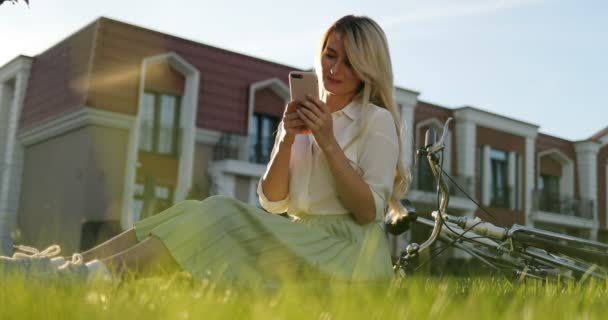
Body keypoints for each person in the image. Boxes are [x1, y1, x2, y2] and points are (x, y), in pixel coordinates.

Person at [0, 14, 410, 285]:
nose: (334, 69)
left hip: (345, 253)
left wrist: (328, 144)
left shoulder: (376, 122)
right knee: (191, 211)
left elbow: (367, 212)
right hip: (298, 234)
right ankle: (68, 270)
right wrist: (287, 137)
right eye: (330, 55)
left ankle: (91, 277)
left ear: (368, 69)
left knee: (219, 211)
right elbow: (271, 201)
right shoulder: (308, 112)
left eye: (349, 62)